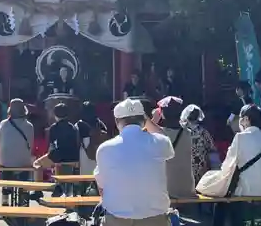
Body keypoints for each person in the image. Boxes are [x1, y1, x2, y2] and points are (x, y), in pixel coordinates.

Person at [94, 98, 174, 226]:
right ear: (144, 120)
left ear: (116, 121)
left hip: (117, 219)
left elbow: (102, 186)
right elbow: (163, 136)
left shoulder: (105, 148)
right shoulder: (161, 142)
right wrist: (147, 120)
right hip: (156, 218)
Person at [196, 105, 261, 226]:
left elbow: (227, 167)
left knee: (221, 197)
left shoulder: (240, 137)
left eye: (240, 118)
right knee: (229, 195)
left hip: (248, 188)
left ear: (246, 119)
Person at [33, 103, 80, 197]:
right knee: (58, 163)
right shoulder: (73, 127)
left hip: (59, 155)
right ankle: (59, 186)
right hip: (73, 156)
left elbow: (52, 145)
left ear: (55, 114)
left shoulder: (54, 127)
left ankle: (38, 191)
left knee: (37, 163)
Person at [153, 96, 195, 198]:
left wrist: (153, 120)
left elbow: (139, 136)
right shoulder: (188, 133)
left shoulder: (158, 135)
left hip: (167, 190)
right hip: (187, 188)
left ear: (162, 114)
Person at [0, 98, 34, 206]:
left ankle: (5, 198)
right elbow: (30, 146)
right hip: (23, 161)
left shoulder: (3, 124)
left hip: (6, 161)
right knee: (25, 166)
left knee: (5, 165)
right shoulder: (29, 126)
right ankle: (24, 197)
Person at [180, 104, 219, 184]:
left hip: (183, 168)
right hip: (201, 169)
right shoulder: (203, 132)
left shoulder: (180, 131)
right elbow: (212, 150)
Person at [75, 101, 108, 175]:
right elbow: (106, 134)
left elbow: (76, 141)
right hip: (98, 149)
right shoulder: (99, 123)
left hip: (84, 151)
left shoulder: (79, 124)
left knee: (85, 174)